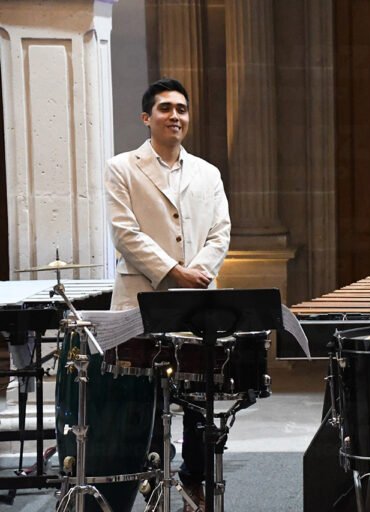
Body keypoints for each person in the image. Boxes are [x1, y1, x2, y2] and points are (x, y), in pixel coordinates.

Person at [106, 77, 231, 511]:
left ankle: (194, 480)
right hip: (143, 296)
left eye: (181, 109)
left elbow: (220, 231)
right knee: (140, 394)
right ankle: (142, 474)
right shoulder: (121, 167)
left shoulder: (208, 172)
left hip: (197, 297)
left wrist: (198, 271)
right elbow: (125, 233)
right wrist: (172, 271)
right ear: (147, 117)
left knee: (199, 395)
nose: (174, 115)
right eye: (165, 108)